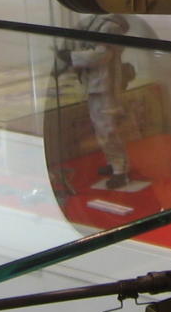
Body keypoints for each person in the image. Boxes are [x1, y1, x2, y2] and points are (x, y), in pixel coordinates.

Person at [55, 14, 133, 189]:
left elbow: (101, 55)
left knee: (107, 129)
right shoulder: (92, 22)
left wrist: (72, 57)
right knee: (102, 129)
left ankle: (120, 170)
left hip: (105, 85)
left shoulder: (110, 27)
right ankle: (115, 164)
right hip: (95, 84)